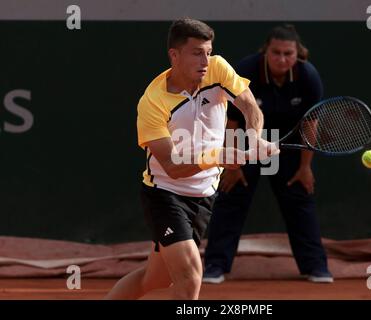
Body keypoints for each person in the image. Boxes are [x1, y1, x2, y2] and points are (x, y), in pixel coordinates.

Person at [104, 18, 277, 300]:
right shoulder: (153, 102)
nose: (205, 61)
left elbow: (249, 106)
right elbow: (172, 166)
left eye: (208, 52)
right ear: (175, 55)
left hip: (204, 197)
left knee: (154, 278)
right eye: (197, 52)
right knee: (187, 287)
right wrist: (219, 157)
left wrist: (255, 137)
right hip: (165, 195)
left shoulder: (218, 68)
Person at [203, 24, 333, 284]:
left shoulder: (308, 77)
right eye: (276, 53)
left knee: (299, 198)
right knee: (231, 196)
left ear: (298, 54)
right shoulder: (246, 71)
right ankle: (214, 267)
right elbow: (232, 121)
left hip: (287, 143)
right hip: (247, 139)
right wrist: (233, 165)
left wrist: (305, 167)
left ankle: (316, 267)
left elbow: (310, 124)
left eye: (288, 53)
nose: (282, 59)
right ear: (265, 52)